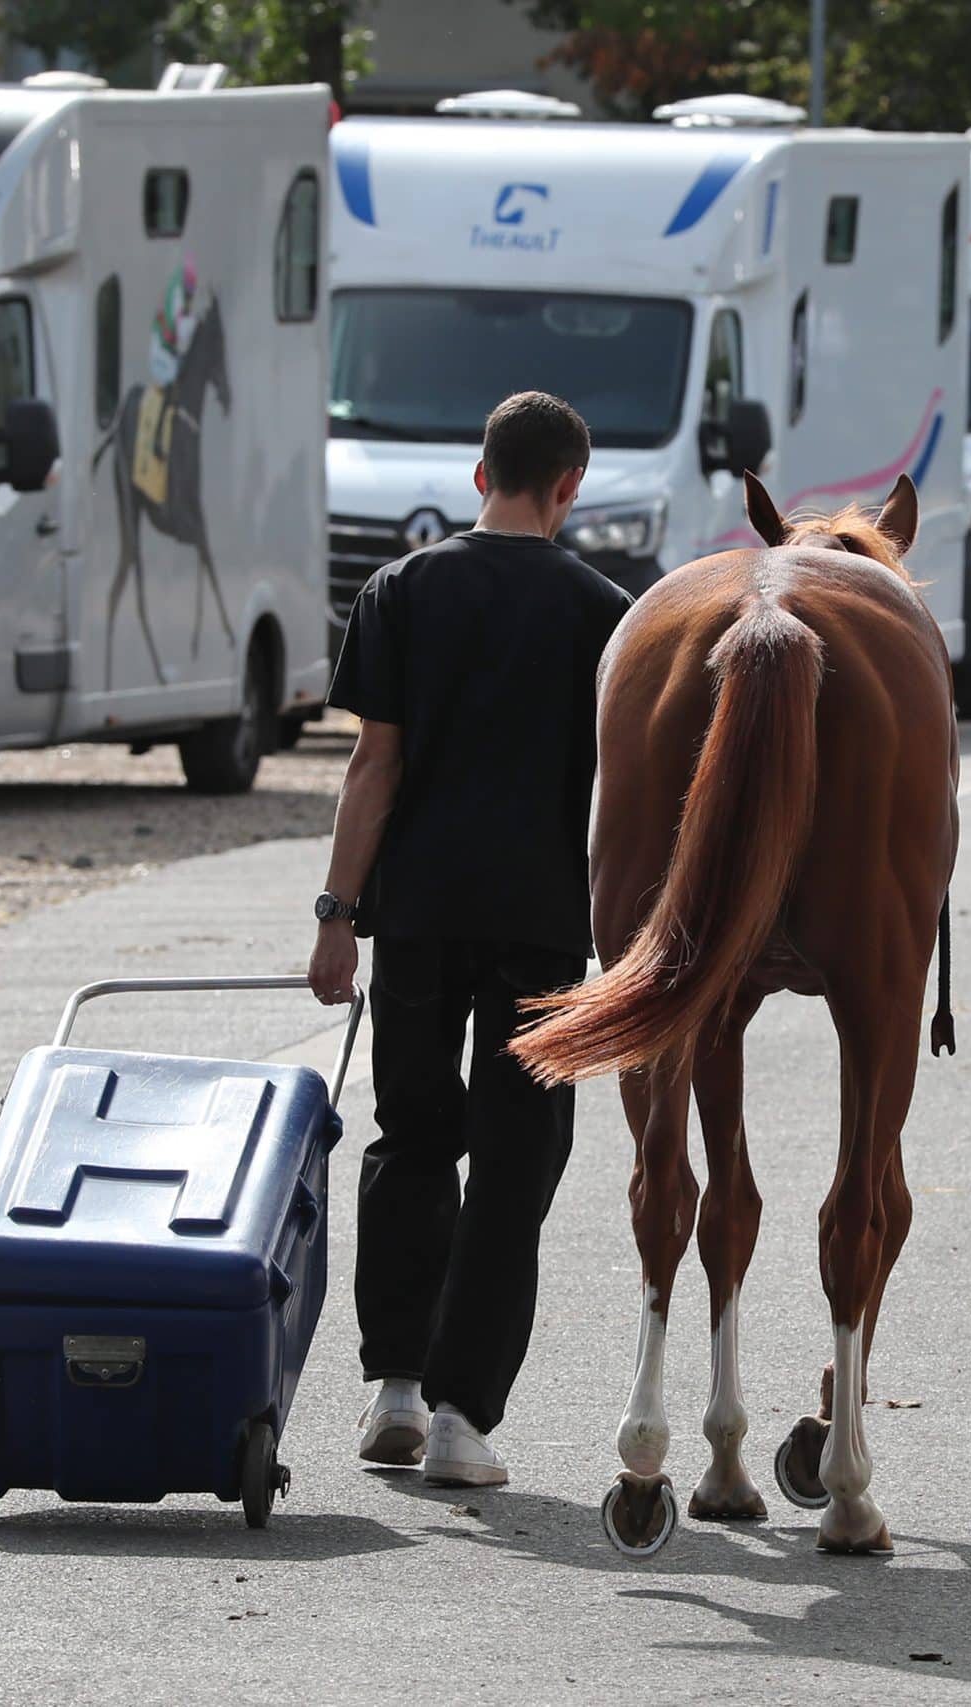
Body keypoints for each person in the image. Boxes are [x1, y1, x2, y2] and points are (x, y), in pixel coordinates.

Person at [309, 392, 633, 1489]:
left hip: (416, 913)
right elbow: (622, 804)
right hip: (542, 924)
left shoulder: (401, 590)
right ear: (569, 485)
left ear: (478, 469)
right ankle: (461, 1418)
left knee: (409, 1135)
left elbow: (374, 771)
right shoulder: (606, 614)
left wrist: (336, 918)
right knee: (515, 1160)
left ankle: (391, 1390)